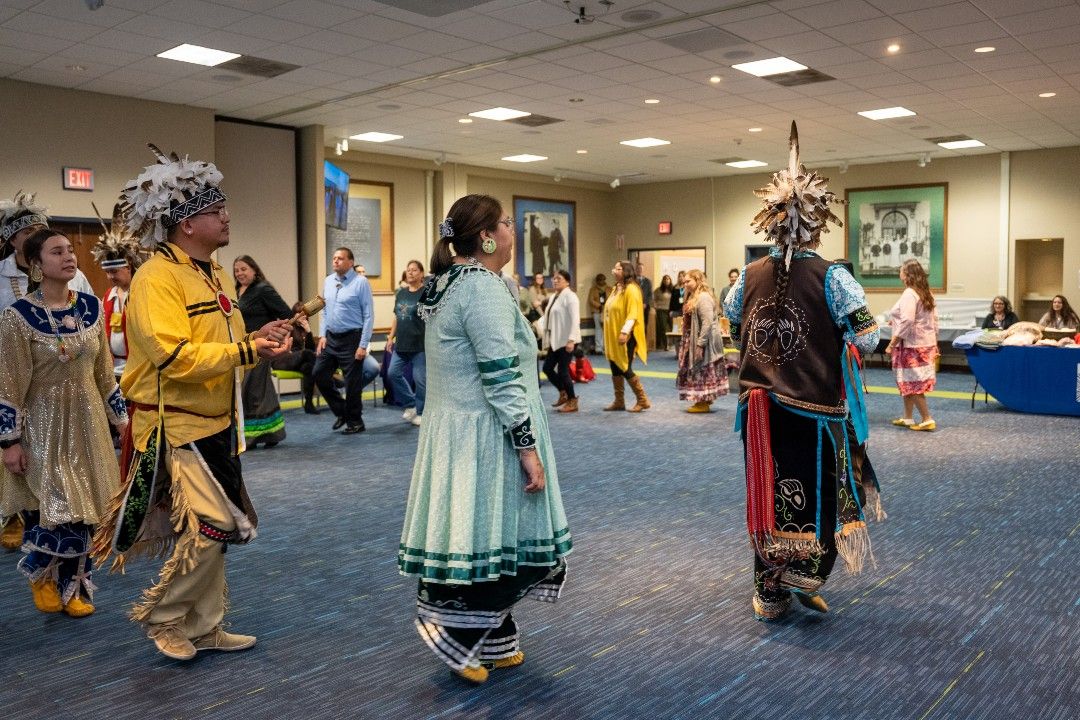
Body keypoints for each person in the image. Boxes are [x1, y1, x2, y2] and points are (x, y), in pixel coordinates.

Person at [92, 144, 291, 661]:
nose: (226, 217)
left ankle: (205, 625)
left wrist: (261, 341)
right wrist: (245, 347)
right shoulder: (157, 278)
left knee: (215, 529)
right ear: (184, 224)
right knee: (213, 525)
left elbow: (227, 352)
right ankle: (163, 618)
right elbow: (172, 356)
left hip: (219, 421)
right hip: (175, 425)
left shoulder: (215, 273)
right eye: (214, 210)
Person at [399, 194, 572, 684]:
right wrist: (528, 448)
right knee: (484, 527)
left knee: (485, 527)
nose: (514, 230)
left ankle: (494, 637)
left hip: (458, 429)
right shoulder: (481, 289)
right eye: (506, 223)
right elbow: (501, 377)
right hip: (483, 433)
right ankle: (454, 631)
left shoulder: (450, 283)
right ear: (487, 238)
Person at [725, 122, 880, 621]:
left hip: (759, 410)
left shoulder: (747, 277)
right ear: (816, 224)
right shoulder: (834, 276)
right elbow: (868, 336)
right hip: (813, 411)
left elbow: (733, 319)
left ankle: (770, 589)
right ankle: (801, 576)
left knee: (769, 491)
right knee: (816, 494)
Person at [0, 228, 127, 618]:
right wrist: (10, 441)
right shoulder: (17, 318)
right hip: (43, 427)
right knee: (57, 506)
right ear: (37, 265)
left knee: (86, 510)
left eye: (71, 250)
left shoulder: (90, 308)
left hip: (88, 425)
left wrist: (122, 421)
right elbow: (9, 384)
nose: (69, 257)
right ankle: (42, 576)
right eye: (57, 252)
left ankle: (73, 588)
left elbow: (105, 375)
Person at [0, 193, 95, 552]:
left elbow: (89, 322)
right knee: (24, 464)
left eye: (42, 230)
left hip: (67, 380)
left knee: (68, 477)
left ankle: (66, 556)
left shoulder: (77, 278)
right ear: (14, 241)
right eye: (29, 233)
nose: (37, 236)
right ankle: (16, 518)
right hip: (12, 376)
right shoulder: (3, 276)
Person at [314, 247, 380, 435]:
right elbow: (324, 311)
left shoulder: (360, 283)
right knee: (319, 373)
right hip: (331, 338)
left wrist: (363, 344)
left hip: (352, 338)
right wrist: (322, 335)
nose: (335, 261)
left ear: (350, 262)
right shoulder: (328, 281)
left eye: (340, 258)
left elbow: (368, 315)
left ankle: (355, 422)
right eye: (334, 258)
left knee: (352, 384)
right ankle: (342, 411)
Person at [234, 255, 292, 447]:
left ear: (254, 270)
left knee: (252, 391)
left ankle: (252, 435)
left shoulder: (262, 289)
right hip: (244, 346)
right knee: (260, 390)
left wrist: (276, 335)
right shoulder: (237, 291)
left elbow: (285, 313)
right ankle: (272, 433)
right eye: (236, 270)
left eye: (243, 269)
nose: (240, 273)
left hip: (261, 347)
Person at [90, 203, 150, 378]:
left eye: (114, 272)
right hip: (113, 371)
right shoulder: (109, 296)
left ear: (129, 266)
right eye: (107, 272)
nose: (109, 277)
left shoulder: (141, 293)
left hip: (139, 370)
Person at [885, 259, 939, 431]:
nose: (899, 273)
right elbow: (933, 322)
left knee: (913, 383)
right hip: (925, 344)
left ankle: (927, 418)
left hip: (911, 346)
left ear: (908, 274)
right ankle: (908, 417)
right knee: (909, 380)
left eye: (901, 270)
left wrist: (892, 343)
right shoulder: (926, 293)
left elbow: (908, 321)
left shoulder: (909, 293)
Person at [676, 269, 728, 413]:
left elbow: (707, 323)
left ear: (698, 280)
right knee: (697, 369)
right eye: (684, 281)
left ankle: (702, 402)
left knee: (701, 369)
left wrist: (700, 344)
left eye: (688, 281)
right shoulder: (693, 296)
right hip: (691, 338)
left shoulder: (703, 297)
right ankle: (704, 399)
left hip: (701, 340)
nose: (685, 284)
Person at [603, 261, 649, 412]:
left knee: (624, 366)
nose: (613, 271)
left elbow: (633, 313)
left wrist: (625, 332)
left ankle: (642, 400)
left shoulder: (632, 289)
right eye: (614, 268)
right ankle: (619, 401)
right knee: (615, 366)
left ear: (626, 271)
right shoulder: (617, 288)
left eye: (618, 268)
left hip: (626, 335)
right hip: (613, 334)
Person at [386, 259, 427, 427]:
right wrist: (390, 337)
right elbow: (396, 316)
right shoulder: (401, 293)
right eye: (408, 269)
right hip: (401, 344)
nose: (410, 272)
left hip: (419, 345)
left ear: (421, 274)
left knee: (420, 380)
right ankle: (410, 405)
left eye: (414, 270)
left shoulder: (426, 293)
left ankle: (422, 412)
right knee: (392, 373)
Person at [542, 269, 583, 413]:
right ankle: (563, 392)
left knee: (563, 371)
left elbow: (575, 320)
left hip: (567, 340)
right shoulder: (554, 296)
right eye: (554, 278)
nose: (555, 280)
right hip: (556, 339)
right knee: (547, 368)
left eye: (558, 278)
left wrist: (571, 340)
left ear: (567, 281)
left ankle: (573, 401)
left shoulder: (570, 297)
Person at [271, 301, 320, 414]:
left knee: (308, 367)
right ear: (294, 315)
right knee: (307, 354)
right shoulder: (289, 326)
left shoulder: (304, 329)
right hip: (282, 359)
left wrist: (308, 330)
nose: (302, 317)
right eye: (299, 314)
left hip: (298, 360)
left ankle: (308, 404)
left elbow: (311, 349)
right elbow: (284, 346)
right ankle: (330, 377)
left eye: (304, 315)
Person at [587, 273, 607, 355]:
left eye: (603, 279)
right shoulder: (593, 289)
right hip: (596, 311)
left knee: (606, 330)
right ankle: (598, 348)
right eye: (599, 280)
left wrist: (605, 306)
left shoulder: (609, 288)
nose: (601, 281)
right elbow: (591, 300)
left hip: (607, 312)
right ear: (597, 281)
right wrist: (599, 306)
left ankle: (606, 347)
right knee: (598, 329)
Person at [653, 275, 674, 351]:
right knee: (663, 328)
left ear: (670, 280)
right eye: (665, 279)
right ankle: (665, 345)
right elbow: (653, 299)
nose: (667, 280)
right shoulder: (658, 290)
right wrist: (656, 306)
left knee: (672, 327)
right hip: (661, 310)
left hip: (671, 311)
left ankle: (672, 344)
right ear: (663, 281)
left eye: (668, 279)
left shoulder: (673, 289)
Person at [636, 262, 653, 348]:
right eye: (638, 268)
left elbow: (650, 295)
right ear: (636, 269)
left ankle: (642, 346)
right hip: (634, 307)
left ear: (643, 270)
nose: (640, 270)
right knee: (635, 326)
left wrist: (645, 303)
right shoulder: (632, 281)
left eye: (641, 269)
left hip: (645, 307)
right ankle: (635, 346)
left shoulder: (648, 281)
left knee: (643, 326)